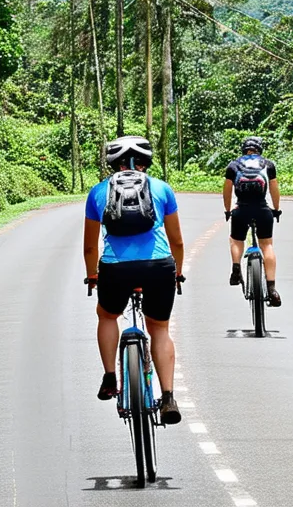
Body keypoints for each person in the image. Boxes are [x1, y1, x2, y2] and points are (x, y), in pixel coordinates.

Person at [83, 136, 185, 425]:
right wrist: (177, 272)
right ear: (146, 163)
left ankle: (110, 377)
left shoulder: (98, 192)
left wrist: (93, 275)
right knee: (159, 328)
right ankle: (167, 397)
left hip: (115, 269)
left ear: (112, 164)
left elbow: (90, 247)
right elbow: (176, 240)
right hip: (158, 266)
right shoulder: (162, 188)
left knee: (106, 315)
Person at [223, 136, 283, 306]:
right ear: (260, 149)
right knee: (267, 245)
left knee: (236, 239)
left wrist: (228, 210)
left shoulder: (233, 165)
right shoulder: (268, 164)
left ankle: (236, 268)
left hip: (241, 210)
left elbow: (227, 190)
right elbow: (274, 188)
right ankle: (272, 288)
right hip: (262, 210)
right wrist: (276, 209)